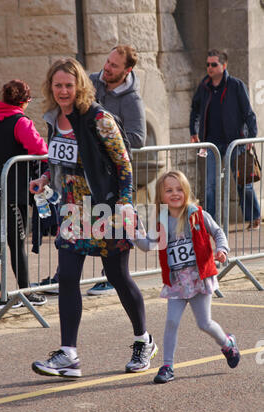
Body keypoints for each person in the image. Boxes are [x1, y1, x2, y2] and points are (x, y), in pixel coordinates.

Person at [29, 57, 157, 378]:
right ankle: (69, 355)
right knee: (68, 277)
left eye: (69, 85)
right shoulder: (53, 118)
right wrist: (46, 178)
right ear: (51, 87)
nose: (63, 91)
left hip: (106, 208)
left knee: (118, 277)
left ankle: (144, 339)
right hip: (73, 210)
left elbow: (123, 163)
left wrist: (126, 203)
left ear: (80, 86)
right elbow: (60, 158)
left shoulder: (97, 117)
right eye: (58, 85)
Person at [132, 170, 240, 384]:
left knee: (204, 323)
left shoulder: (196, 213)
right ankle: (167, 366)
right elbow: (147, 245)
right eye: (169, 190)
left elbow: (218, 232)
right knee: (171, 322)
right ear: (161, 196)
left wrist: (222, 250)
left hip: (199, 278)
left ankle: (227, 343)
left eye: (179, 189)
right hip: (177, 282)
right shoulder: (161, 220)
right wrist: (133, 231)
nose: (175, 193)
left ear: (186, 191)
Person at [0, 79, 48, 309]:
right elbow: (39, 149)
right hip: (11, 190)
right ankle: (24, 292)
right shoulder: (20, 121)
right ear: (26, 101)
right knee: (17, 242)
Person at [85, 44, 146, 296]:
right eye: (107, 62)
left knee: (110, 225)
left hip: (113, 173)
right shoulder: (91, 82)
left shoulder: (131, 99)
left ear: (127, 70)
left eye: (114, 66)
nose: (107, 69)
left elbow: (139, 137)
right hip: (87, 169)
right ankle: (62, 276)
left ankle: (111, 276)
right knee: (82, 222)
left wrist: (108, 137)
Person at [190, 49, 261, 230]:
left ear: (224, 65)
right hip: (211, 144)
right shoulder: (204, 86)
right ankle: (212, 223)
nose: (210, 68)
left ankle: (254, 217)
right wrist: (194, 131)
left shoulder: (236, 85)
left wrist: (250, 138)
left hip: (235, 143)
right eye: (208, 64)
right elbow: (195, 109)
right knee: (211, 186)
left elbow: (249, 114)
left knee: (243, 182)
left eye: (214, 64)